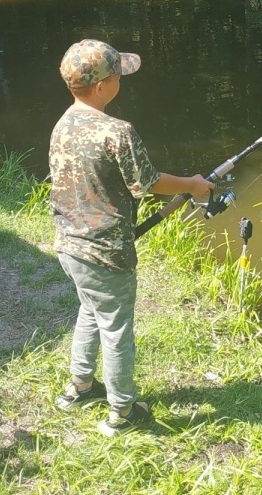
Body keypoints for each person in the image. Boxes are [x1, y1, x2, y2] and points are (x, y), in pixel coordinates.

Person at [50, 38, 212, 436]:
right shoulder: (118, 131)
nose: (122, 76)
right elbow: (148, 183)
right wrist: (193, 184)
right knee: (116, 328)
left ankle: (80, 387)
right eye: (118, 72)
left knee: (91, 310)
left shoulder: (62, 123)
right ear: (103, 86)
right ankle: (121, 412)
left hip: (69, 246)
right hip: (106, 253)